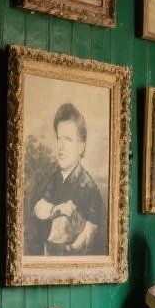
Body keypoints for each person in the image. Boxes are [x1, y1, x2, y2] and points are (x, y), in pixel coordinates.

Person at [29, 102, 106, 256]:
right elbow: (37, 208)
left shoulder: (90, 189)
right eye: (59, 139)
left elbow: (88, 237)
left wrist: (74, 220)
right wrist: (57, 209)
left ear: (80, 147)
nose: (61, 147)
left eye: (68, 139)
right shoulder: (49, 179)